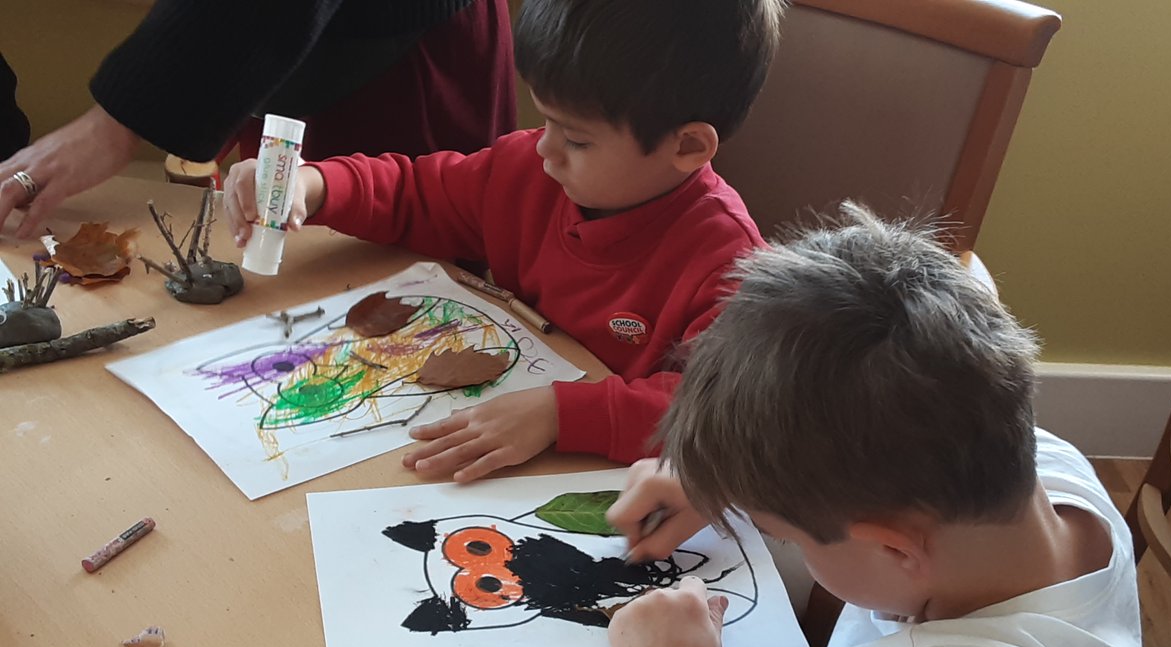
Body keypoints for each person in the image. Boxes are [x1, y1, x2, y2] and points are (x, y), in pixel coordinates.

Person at [604, 204, 1142, 647]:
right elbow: (968, 292)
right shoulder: (1026, 467)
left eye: (786, 534)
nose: (780, 539)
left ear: (894, 548)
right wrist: (732, 478)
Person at [223, 0, 785, 483]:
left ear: (687, 147)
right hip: (480, 441)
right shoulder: (528, 170)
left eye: (577, 139)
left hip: (606, 482)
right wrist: (316, 185)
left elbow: (723, 416)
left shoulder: (728, 261)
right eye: (545, 121)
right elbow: (419, 194)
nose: (545, 149)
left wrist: (561, 415)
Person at [0, 0, 515, 239]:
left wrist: (115, 122)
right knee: (269, 232)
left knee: (396, 298)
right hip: (257, 35)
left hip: (383, 55)